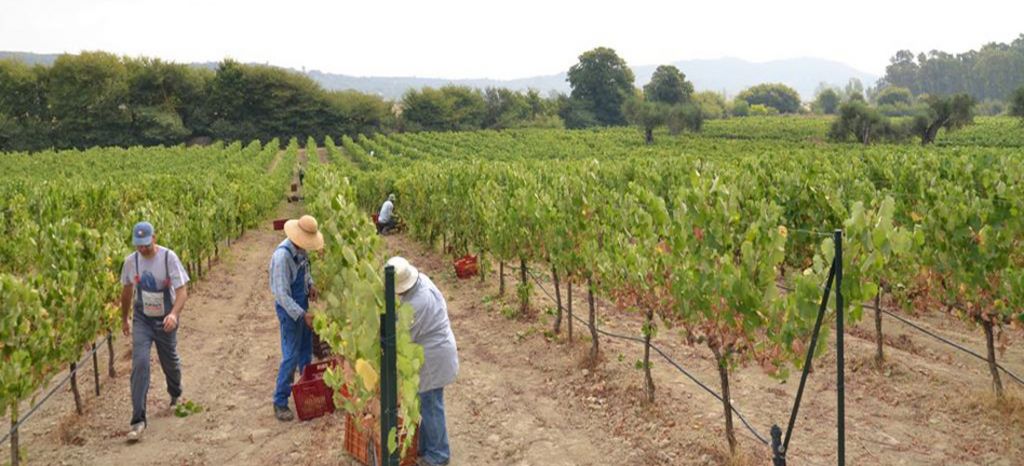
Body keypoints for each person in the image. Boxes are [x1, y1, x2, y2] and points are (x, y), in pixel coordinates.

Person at [119, 221, 190, 442]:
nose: (142, 249)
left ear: (154, 239)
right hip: (142, 320)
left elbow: (182, 291)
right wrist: (125, 319)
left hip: (165, 318)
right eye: (138, 245)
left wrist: (174, 315)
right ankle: (137, 420)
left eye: (146, 245)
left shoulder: (169, 258)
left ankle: (175, 392)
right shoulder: (131, 263)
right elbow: (127, 291)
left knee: (169, 361)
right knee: (140, 363)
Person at [387, 256, 458, 466]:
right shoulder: (421, 281)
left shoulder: (418, 303)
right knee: (426, 403)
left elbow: (403, 338)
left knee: (431, 405)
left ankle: (439, 456)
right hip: (433, 351)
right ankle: (426, 446)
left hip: (433, 357)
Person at [269, 214, 324, 421]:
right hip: (289, 310)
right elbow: (281, 295)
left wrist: (310, 286)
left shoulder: (301, 252)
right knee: (291, 355)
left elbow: (306, 273)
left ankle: (305, 390)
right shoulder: (282, 257)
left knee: (306, 350)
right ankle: (280, 401)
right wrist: (302, 315)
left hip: (302, 305)